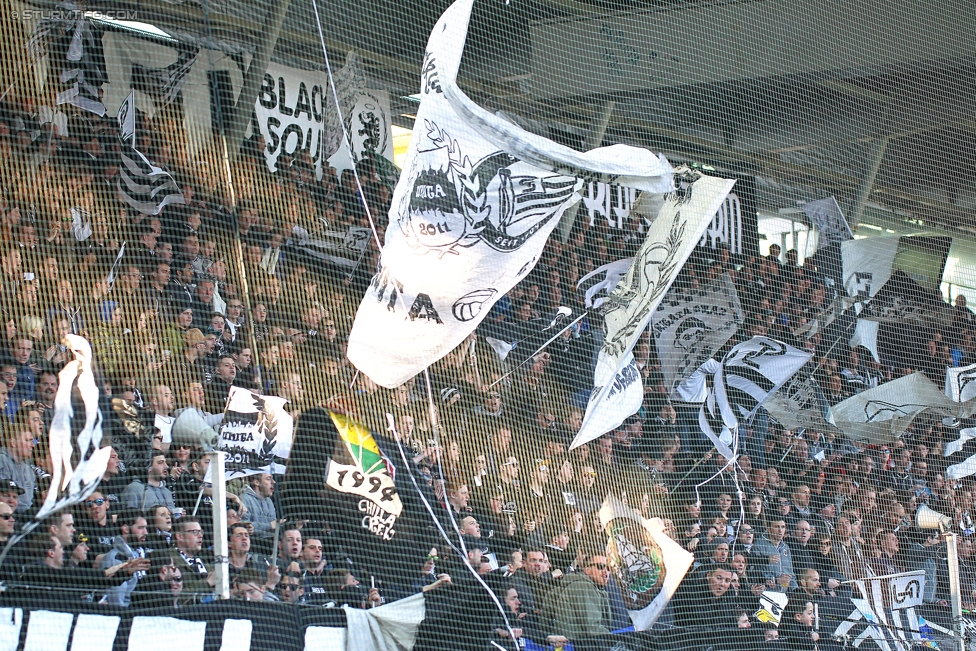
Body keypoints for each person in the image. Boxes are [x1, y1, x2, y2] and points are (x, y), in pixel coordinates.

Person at [547, 551, 612, 641]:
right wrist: (615, 641)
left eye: (608, 568)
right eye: (600, 567)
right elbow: (592, 628)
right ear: (587, 569)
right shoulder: (584, 586)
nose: (606, 572)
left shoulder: (585, 585)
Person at [100, 510, 152, 606]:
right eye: (141, 528)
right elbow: (116, 602)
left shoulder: (138, 553)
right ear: (126, 529)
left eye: (146, 528)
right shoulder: (115, 558)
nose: (146, 532)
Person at [167, 515, 213, 603]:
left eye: (201, 532)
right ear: (180, 536)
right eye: (195, 532)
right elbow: (175, 598)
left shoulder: (204, 562)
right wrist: (207, 583)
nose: (200, 536)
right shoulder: (169, 561)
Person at [0, 425, 35, 513]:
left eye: (32, 441)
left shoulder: (29, 471)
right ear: (13, 443)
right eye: (27, 440)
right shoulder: (2, 460)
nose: (32, 445)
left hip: (25, 518)